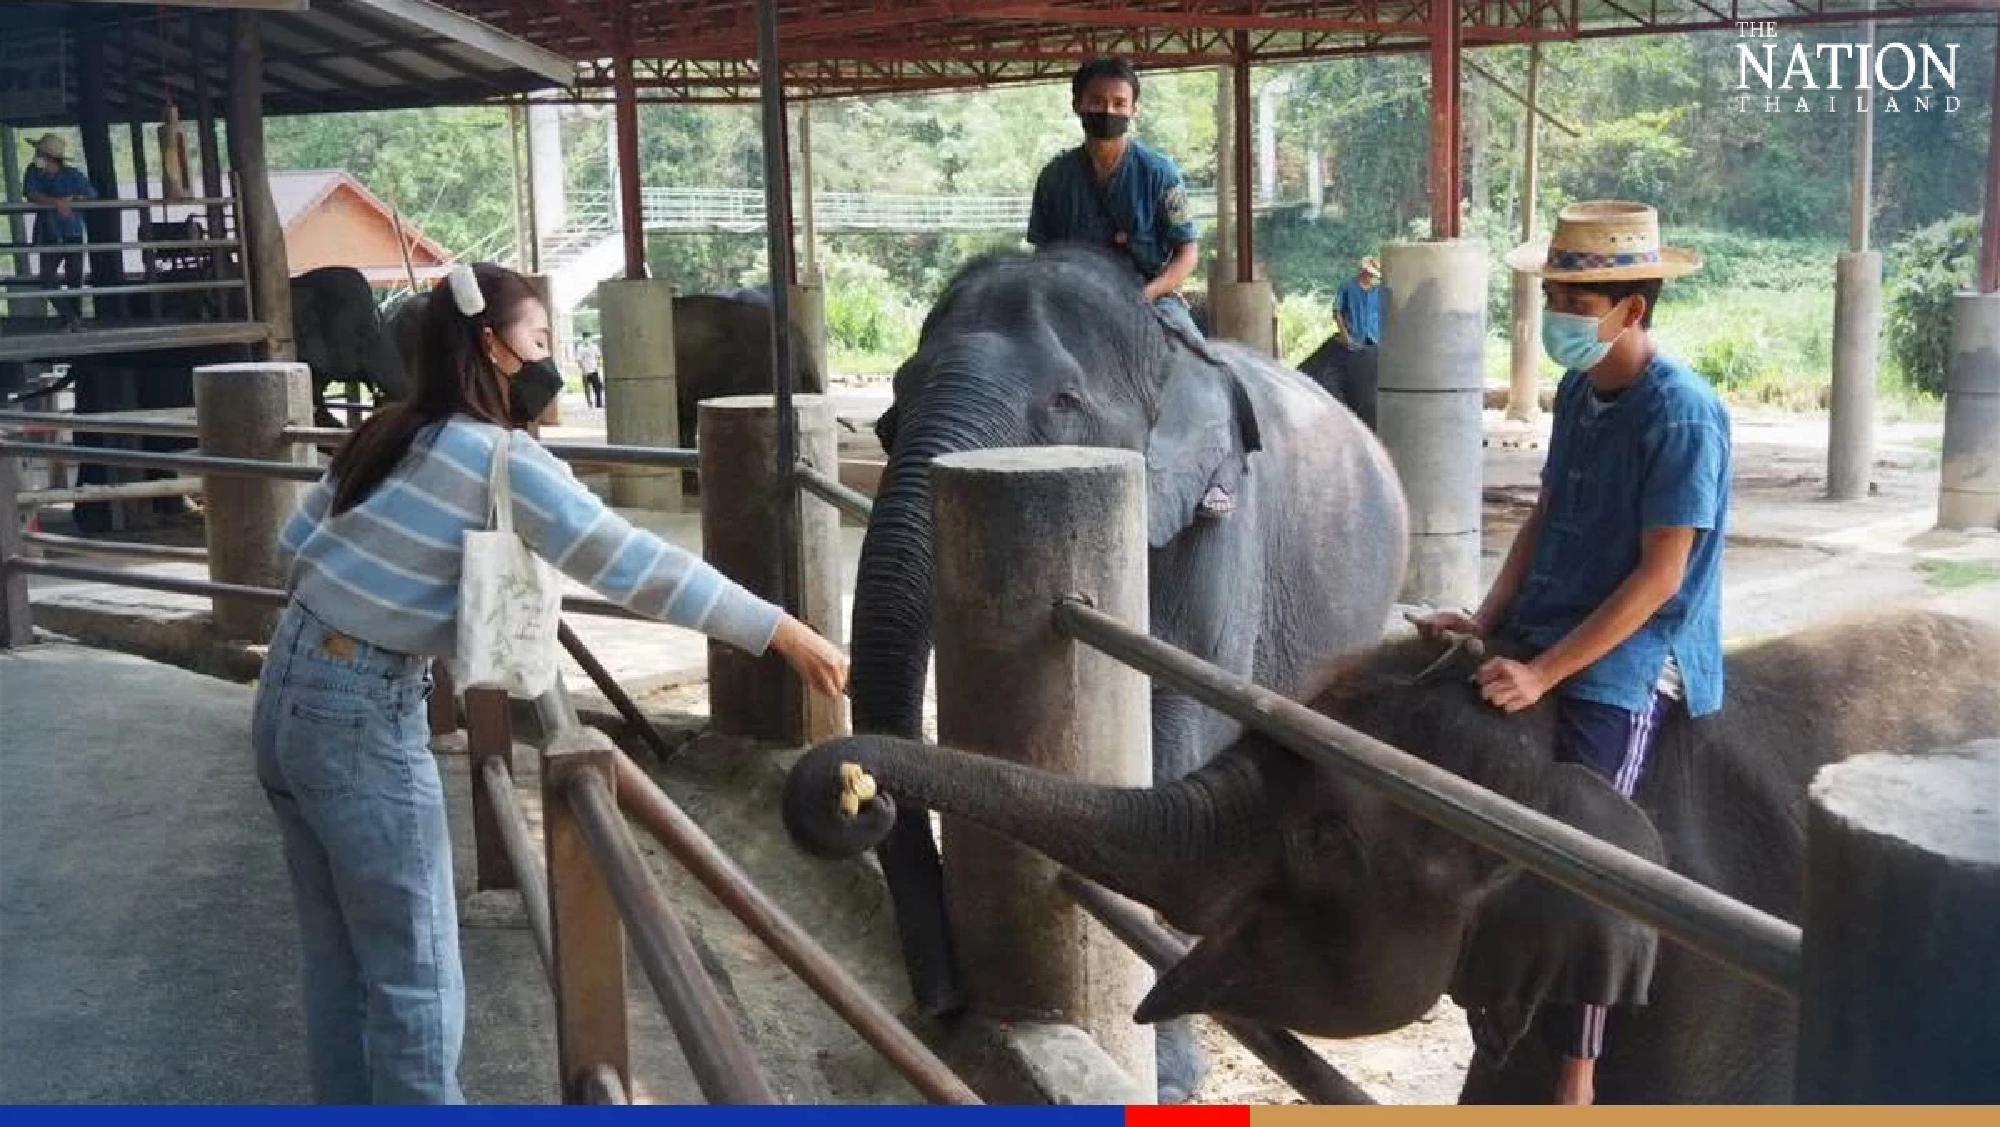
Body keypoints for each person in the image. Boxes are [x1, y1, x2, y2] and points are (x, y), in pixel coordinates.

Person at [255, 262, 849, 1103]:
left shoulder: (387, 430)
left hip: (289, 689)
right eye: (538, 339)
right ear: (493, 349)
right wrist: (781, 629)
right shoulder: (499, 459)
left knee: (339, 956)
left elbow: (291, 549)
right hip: (360, 713)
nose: (549, 359)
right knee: (415, 971)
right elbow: (635, 565)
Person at [1409, 201, 1727, 1106]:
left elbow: (1662, 578)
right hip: (1548, 621)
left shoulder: (1684, 414)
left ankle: (1576, 1072)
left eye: (1574, 298)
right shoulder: (1584, 393)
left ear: (1631, 310)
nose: (1557, 310)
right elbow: (1544, 518)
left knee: (1582, 851)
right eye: (1554, 290)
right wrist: (1485, 620)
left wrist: (1545, 673)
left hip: (1632, 660)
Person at [1026, 56, 1202, 339]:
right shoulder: (1053, 178)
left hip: (1152, 298)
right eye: (1097, 101)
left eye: (1119, 103)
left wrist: (1146, 296)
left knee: (1197, 356)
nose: (1108, 110)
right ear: (1077, 105)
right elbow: (1042, 256)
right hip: (1073, 302)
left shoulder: (1161, 173)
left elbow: (1187, 252)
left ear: (1134, 110)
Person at [20, 133, 94, 331]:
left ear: (52, 158)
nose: (36, 156)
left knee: (74, 278)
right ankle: (71, 318)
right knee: (47, 277)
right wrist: (57, 202)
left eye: (40, 153)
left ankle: (73, 320)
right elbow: (30, 193)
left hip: (73, 231)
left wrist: (73, 200)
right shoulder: (33, 172)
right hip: (49, 231)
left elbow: (90, 195)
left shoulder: (73, 175)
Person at [1328, 255, 1384, 428]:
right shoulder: (1347, 287)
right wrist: (1345, 335)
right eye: (1368, 273)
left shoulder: (1378, 292)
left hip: (1373, 340)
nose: (1370, 277)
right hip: (1354, 340)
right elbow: (1336, 311)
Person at [577, 334, 604, 409]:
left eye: (588, 338)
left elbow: (598, 356)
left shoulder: (594, 347)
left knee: (597, 388)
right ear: (583, 338)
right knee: (587, 389)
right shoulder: (580, 347)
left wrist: (597, 366)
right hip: (585, 372)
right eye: (586, 338)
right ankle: (589, 402)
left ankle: (599, 403)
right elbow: (579, 360)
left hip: (594, 370)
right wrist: (583, 370)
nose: (587, 340)